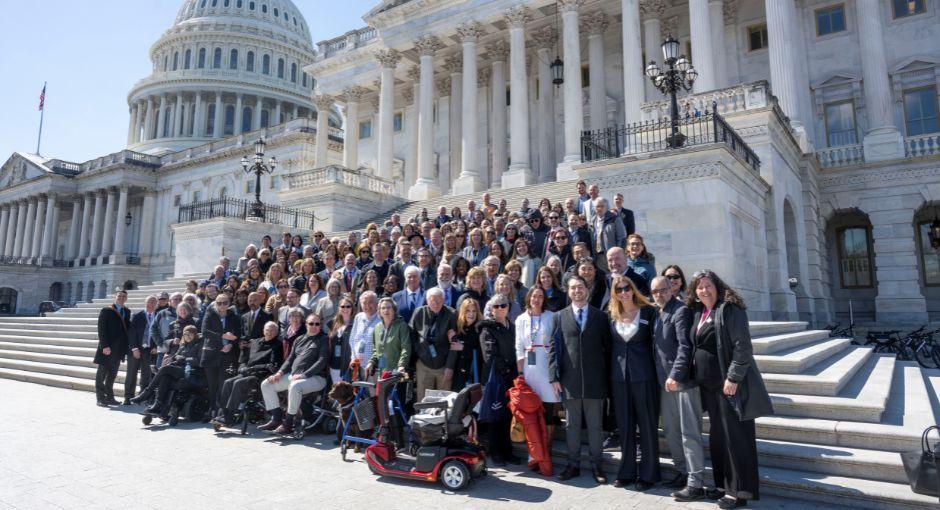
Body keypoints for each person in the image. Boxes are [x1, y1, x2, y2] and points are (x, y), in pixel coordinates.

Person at [683, 270, 773, 509]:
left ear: (717, 286)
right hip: (708, 387)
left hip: (729, 386)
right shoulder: (699, 312)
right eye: (699, 287)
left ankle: (739, 492)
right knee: (719, 437)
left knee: (736, 438)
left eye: (707, 286)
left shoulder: (729, 309)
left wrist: (733, 377)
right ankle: (723, 485)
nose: (703, 290)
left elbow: (742, 347)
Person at [646, 276, 707, 499]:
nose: (659, 294)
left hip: (682, 382)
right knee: (671, 432)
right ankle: (682, 471)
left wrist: (675, 375)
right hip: (665, 384)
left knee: (689, 433)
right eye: (655, 292)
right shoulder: (658, 312)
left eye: (663, 289)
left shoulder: (680, 311)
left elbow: (685, 346)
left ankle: (696, 482)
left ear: (671, 289)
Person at [549, 275, 611, 484]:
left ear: (588, 289)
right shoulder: (559, 317)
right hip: (569, 380)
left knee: (595, 426)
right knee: (572, 426)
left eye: (580, 287)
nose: (577, 291)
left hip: (595, 380)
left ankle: (597, 466)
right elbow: (553, 348)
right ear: (568, 291)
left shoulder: (601, 317)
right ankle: (572, 465)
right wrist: (553, 376)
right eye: (573, 288)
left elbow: (608, 349)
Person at [607, 275, 660, 490]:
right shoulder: (611, 315)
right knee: (625, 426)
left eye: (626, 288)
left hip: (644, 376)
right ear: (614, 293)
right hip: (619, 378)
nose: (623, 292)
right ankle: (626, 471)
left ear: (633, 289)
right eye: (619, 289)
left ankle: (649, 474)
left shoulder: (648, 311)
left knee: (647, 425)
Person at [259, 313, 330, 435]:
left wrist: (304, 375)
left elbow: (322, 361)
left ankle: (287, 424)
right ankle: (276, 418)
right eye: (311, 323)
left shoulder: (323, 339)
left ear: (320, 325)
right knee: (266, 384)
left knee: (295, 386)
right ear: (306, 324)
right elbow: (290, 359)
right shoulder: (299, 339)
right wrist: (279, 373)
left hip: (316, 378)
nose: (314, 326)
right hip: (295, 376)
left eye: (317, 324)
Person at [212, 321, 285, 428]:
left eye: (272, 330)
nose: (269, 332)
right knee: (228, 382)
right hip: (247, 372)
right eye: (267, 330)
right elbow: (243, 359)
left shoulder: (278, 345)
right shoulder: (255, 342)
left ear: (277, 332)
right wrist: (242, 367)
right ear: (263, 331)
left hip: (260, 375)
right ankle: (224, 413)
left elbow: (272, 365)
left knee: (238, 383)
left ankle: (230, 417)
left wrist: (252, 368)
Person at [514, 286, 560, 447]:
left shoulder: (551, 316)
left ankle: (546, 448)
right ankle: (534, 449)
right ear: (529, 298)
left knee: (548, 407)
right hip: (528, 367)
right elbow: (519, 346)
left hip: (546, 365)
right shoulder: (520, 319)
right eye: (534, 296)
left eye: (540, 296)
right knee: (531, 408)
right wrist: (520, 373)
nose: (537, 299)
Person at [479, 293, 521, 466]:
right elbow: (490, 355)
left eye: (503, 305)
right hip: (495, 379)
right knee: (495, 417)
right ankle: (496, 452)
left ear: (508, 307)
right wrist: (507, 371)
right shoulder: (487, 329)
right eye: (495, 306)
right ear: (490, 309)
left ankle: (507, 451)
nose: (500, 309)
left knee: (507, 416)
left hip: (511, 377)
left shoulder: (512, 326)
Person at [136, 325, 205, 416]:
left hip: (190, 371)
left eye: (190, 334)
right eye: (185, 334)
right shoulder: (183, 345)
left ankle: (146, 394)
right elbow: (176, 356)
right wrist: (171, 359)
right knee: (165, 377)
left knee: (165, 369)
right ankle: (157, 405)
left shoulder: (199, 344)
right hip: (179, 368)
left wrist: (184, 359)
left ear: (195, 335)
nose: (188, 336)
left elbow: (199, 361)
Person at [409, 287, 457, 400]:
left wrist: (450, 366)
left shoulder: (452, 314)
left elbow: (455, 343)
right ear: (427, 300)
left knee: (444, 401)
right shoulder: (419, 312)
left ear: (443, 300)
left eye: (438, 300)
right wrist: (419, 350)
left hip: (443, 364)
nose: (435, 303)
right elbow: (412, 335)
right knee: (423, 399)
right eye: (432, 300)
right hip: (423, 363)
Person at [199, 294, 242, 415]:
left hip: (227, 355)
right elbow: (205, 332)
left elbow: (238, 335)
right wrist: (223, 335)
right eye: (219, 303)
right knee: (212, 385)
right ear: (215, 303)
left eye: (225, 302)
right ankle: (213, 409)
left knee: (223, 384)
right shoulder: (210, 314)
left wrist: (231, 344)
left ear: (229, 304)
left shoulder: (234, 316)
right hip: (211, 354)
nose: (222, 305)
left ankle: (222, 411)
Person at [94, 288, 131, 407]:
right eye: (119, 296)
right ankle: (100, 397)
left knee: (112, 375)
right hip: (107, 348)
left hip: (119, 349)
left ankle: (109, 397)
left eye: (124, 296)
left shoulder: (127, 311)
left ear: (126, 298)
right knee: (101, 374)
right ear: (115, 296)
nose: (121, 298)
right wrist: (104, 345)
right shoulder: (106, 310)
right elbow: (101, 329)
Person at [124, 295, 159, 404]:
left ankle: (142, 397)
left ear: (157, 304)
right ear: (145, 303)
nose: (151, 304)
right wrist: (134, 348)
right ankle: (128, 397)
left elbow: (160, 333)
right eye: (149, 301)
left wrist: (157, 346)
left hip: (150, 350)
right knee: (131, 374)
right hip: (136, 349)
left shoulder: (158, 316)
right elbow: (132, 333)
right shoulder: (137, 315)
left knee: (146, 375)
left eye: (154, 302)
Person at [367, 298, 412, 376]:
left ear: (394, 310)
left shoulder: (401, 326)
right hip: (382, 372)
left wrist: (401, 365)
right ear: (379, 312)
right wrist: (371, 362)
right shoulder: (377, 327)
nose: (386, 310)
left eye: (388, 307)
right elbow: (375, 350)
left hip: (397, 372)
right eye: (383, 308)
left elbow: (406, 348)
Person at [447, 298, 483, 391]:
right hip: (458, 373)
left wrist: (464, 348)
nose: (471, 314)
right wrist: (450, 339)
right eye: (468, 311)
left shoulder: (481, 329)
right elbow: (452, 348)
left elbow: (482, 352)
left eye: (474, 311)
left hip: (473, 373)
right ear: (463, 312)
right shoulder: (458, 327)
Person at [348, 291, 380, 379]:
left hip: (374, 366)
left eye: (370, 302)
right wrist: (353, 358)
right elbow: (352, 339)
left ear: (377, 304)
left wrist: (373, 362)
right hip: (358, 365)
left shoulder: (381, 318)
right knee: (361, 391)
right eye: (364, 303)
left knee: (373, 392)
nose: (367, 305)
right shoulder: (358, 317)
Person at [590, 198, 627, 273]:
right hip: (598, 257)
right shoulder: (592, 221)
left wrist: (618, 254)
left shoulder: (615, 219)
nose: (599, 209)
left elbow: (622, 238)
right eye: (597, 206)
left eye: (602, 206)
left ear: (606, 207)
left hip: (613, 257)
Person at [327, 295, 356, 383]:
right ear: (339, 308)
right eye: (342, 306)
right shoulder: (333, 323)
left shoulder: (356, 323)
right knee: (337, 389)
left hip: (348, 363)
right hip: (334, 363)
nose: (345, 309)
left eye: (348, 306)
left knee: (347, 391)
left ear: (352, 308)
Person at [151, 292, 183, 368]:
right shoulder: (161, 313)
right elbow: (153, 329)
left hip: (181, 351)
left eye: (180, 299)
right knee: (161, 375)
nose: (178, 301)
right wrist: (160, 343)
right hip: (164, 350)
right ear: (170, 301)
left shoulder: (186, 313)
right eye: (175, 299)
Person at [241, 292, 272, 364]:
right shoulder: (244, 317)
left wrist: (255, 343)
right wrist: (241, 343)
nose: (252, 302)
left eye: (255, 300)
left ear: (260, 300)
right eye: (250, 300)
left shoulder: (268, 316)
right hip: (245, 354)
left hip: (260, 353)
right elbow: (242, 334)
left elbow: (270, 335)